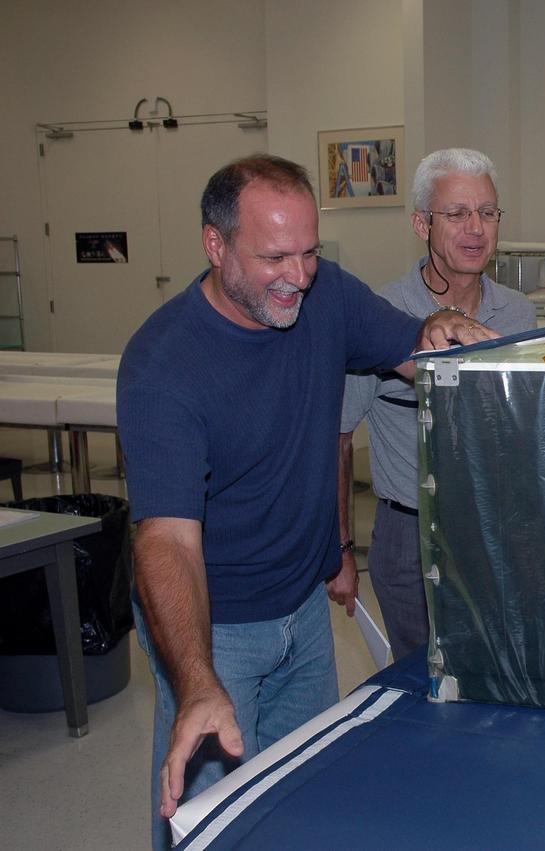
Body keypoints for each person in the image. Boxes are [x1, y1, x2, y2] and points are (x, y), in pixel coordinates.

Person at [117, 153, 498, 850]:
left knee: (304, 801)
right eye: (274, 257)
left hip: (303, 612)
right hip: (216, 627)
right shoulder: (164, 364)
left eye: (309, 252)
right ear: (215, 244)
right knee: (214, 820)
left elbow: (412, 346)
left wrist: (441, 330)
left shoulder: (326, 298)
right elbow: (165, 541)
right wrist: (197, 681)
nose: (298, 275)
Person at [338, 148, 535, 662]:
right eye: (457, 214)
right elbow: (336, 440)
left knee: (498, 671)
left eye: (487, 213)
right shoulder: (380, 317)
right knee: (419, 681)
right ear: (421, 223)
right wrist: (339, 549)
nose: (476, 229)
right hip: (410, 535)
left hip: (496, 526)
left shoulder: (518, 313)